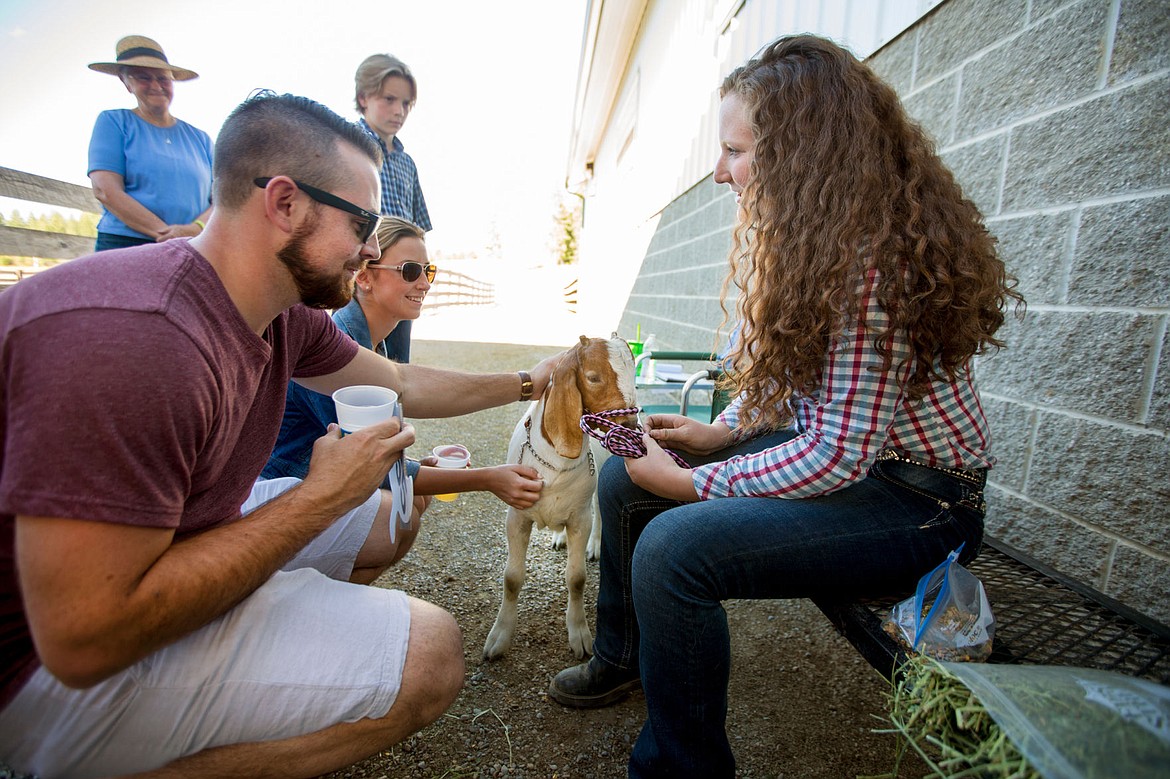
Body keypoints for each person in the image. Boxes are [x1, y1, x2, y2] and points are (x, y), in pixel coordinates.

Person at [0, 91, 557, 778]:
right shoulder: (139, 339)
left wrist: (530, 381)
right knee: (433, 654)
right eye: (362, 224)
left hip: (167, 546)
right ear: (285, 203)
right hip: (37, 669)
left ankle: (265, 675)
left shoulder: (279, 311)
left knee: (386, 518)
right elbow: (82, 639)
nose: (371, 250)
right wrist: (319, 499)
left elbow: (403, 383)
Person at [547, 35, 1025, 778]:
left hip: (918, 503)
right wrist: (722, 429)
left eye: (735, 150)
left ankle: (683, 766)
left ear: (801, 152)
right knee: (620, 479)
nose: (717, 171)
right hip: (859, 468)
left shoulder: (878, 265)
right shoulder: (809, 239)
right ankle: (623, 657)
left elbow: (837, 454)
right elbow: (793, 386)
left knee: (676, 549)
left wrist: (695, 481)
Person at [262, 216, 544, 544]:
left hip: (312, 480)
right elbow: (375, 468)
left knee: (412, 500)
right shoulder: (341, 342)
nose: (425, 283)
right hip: (281, 491)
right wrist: (489, 479)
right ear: (364, 277)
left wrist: (423, 469)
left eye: (429, 271)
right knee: (403, 514)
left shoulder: (373, 341)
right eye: (411, 270)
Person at [87, 34, 213, 252]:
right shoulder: (115, 123)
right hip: (126, 245)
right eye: (143, 77)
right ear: (126, 83)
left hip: (191, 245)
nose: (156, 85)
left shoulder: (200, 139)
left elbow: (221, 197)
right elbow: (105, 189)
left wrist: (195, 228)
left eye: (163, 78)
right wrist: (166, 234)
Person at [354, 53, 431, 363]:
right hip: (366, 271)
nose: (399, 111)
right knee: (357, 355)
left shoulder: (406, 162)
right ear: (363, 97)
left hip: (403, 274)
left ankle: (396, 410)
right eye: (389, 99)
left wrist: (418, 270)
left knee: (398, 357)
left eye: (406, 104)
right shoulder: (350, 149)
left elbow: (419, 226)